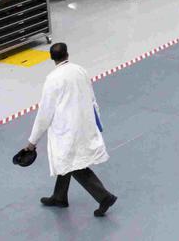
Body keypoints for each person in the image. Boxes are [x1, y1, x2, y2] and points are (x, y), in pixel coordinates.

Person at [20, 43, 118, 216]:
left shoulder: (52, 79)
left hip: (66, 130)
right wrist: (98, 123)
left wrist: (32, 142)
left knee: (73, 164)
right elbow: (92, 98)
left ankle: (104, 196)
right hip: (83, 124)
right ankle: (59, 197)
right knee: (65, 161)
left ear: (51, 58)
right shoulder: (80, 70)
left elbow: (44, 113)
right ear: (67, 54)